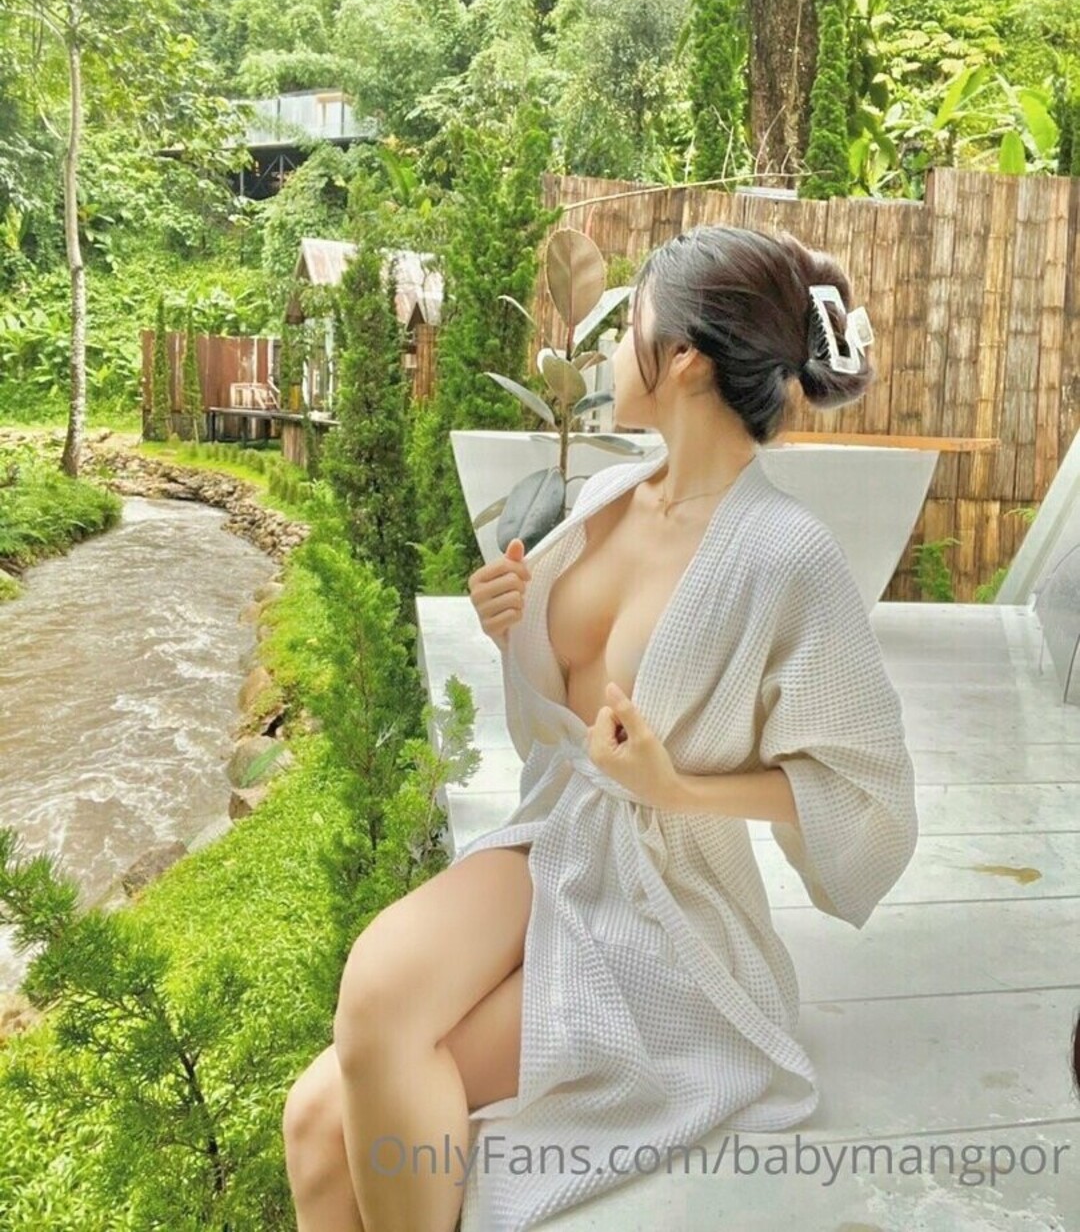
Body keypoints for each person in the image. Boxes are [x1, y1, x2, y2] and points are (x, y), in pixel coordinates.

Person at [282, 224, 919, 1232]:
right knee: (345, 1048)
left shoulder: (787, 553)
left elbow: (863, 791)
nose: (613, 349)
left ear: (686, 358)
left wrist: (677, 788)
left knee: (328, 1117)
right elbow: (555, 717)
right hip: (563, 834)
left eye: (631, 329)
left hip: (663, 900)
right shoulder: (611, 495)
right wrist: (510, 622)